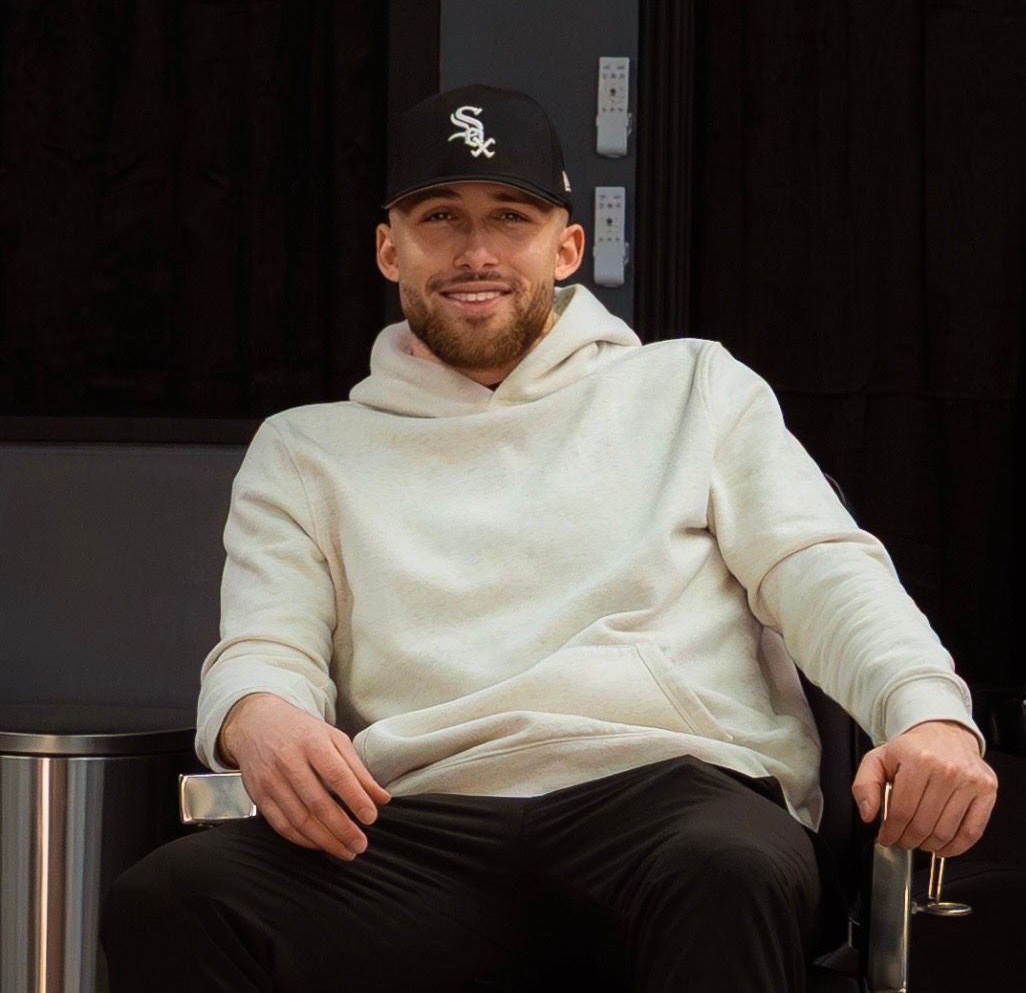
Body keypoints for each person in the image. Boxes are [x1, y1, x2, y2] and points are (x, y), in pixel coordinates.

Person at [102, 84, 997, 992]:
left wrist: (926, 713)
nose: (476, 250)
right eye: (439, 215)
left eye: (511, 216)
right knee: (173, 898)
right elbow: (265, 645)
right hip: (417, 825)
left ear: (567, 247)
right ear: (389, 248)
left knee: (726, 869)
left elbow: (824, 572)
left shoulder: (693, 388)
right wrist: (259, 713)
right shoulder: (304, 449)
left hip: (668, 799)